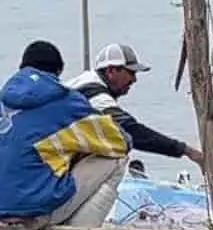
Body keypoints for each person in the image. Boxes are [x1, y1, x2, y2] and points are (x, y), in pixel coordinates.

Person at [0, 40, 131, 230]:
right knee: (117, 158)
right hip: (38, 212)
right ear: (58, 72)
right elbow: (120, 141)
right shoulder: (64, 100)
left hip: (1, 211)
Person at [66, 43, 205, 168]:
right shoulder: (96, 95)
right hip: (58, 161)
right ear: (111, 71)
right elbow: (133, 132)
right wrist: (185, 150)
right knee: (117, 156)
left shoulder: (82, 83)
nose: (134, 79)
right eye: (131, 72)